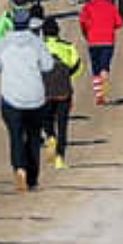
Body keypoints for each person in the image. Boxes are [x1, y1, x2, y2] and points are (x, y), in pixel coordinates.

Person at [0, 5, 53, 192]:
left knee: (15, 135)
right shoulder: (36, 42)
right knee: (33, 137)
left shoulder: (3, 42)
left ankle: (19, 168)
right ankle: (32, 179)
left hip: (11, 98)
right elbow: (48, 66)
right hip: (35, 98)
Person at [40, 18, 83, 169]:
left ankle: (50, 137)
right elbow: (78, 66)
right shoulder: (68, 46)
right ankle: (60, 159)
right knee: (63, 124)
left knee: (46, 119)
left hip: (45, 91)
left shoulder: (39, 47)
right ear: (58, 31)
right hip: (63, 90)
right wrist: (68, 77)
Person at [80, 0, 123, 105]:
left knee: (95, 68)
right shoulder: (111, 6)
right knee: (104, 67)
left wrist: (86, 35)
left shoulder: (87, 7)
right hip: (108, 40)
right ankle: (104, 81)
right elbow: (119, 23)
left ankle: (99, 94)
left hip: (93, 41)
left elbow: (83, 23)